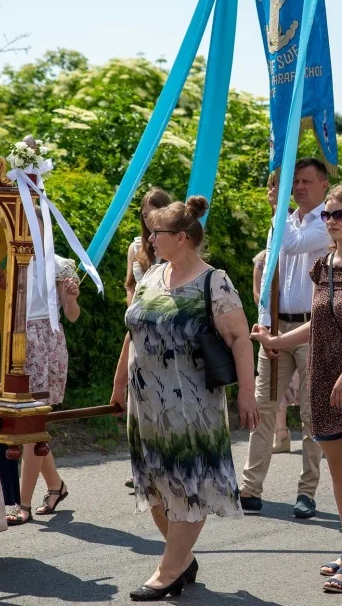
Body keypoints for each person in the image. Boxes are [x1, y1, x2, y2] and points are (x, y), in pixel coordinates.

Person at [109, 196, 260, 600]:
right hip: (146, 403)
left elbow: (239, 340)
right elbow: (134, 330)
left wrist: (247, 392)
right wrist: (119, 381)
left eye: (157, 232)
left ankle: (169, 568)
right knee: (155, 483)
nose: (150, 238)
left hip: (190, 404)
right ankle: (182, 555)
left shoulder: (215, 281)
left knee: (187, 484)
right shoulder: (152, 275)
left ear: (182, 237)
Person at [253, 185, 342, 593]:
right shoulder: (325, 266)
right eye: (326, 215)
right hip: (325, 379)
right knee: (337, 473)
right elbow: (317, 323)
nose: (330, 220)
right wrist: (277, 342)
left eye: (339, 214)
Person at [240, 158, 332, 520]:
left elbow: (291, 246)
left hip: (314, 330)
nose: (299, 188)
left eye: (307, 181)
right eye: (295, 182)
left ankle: (307, 491)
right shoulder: (284, 221)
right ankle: (250, 489)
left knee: (312, 415)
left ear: (324, 184)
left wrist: (279, 211)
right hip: (278, 327)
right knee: (262, 410)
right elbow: (269, 276)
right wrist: (264, 327)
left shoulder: (328, 222)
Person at [7, 208, 82, 526]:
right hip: (15, 344)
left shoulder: (61, 265)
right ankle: (55, 486)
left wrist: (71, 298)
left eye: (37, 227)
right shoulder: (10, 258)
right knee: (28, 427)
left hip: (45, 344)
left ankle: (22, 503)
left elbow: (73, 315)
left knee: (31, 425)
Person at [117, 187, 171, 490]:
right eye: (144, 214)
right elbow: (129, 283)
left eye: (153, 214)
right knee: (137, 396)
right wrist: (132, 310)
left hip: (162, 326)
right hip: (138, 325)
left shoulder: (171, 246)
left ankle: (160, 460)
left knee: (160, 395)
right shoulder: (135, 246)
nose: (148, 220)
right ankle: (140, 463)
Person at [253, 248, 300, 454]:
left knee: (305, 385)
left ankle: (320, 437)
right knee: (274, 385)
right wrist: (268, 313)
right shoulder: (264, 258)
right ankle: (280, 433)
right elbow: (258, 292)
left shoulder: (305, 250)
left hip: (301, 325)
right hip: (275, 323)